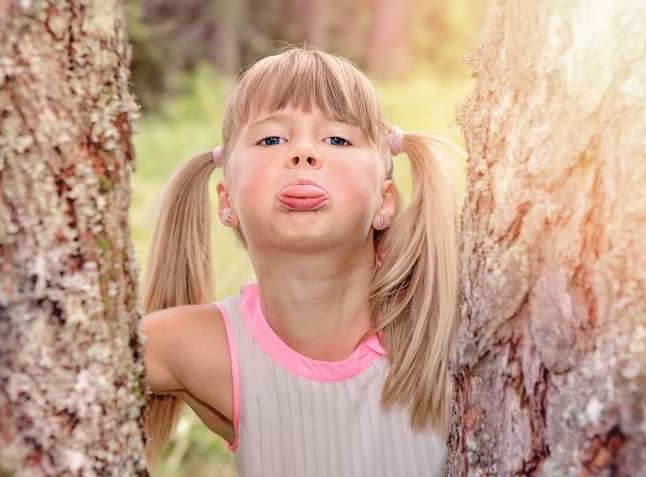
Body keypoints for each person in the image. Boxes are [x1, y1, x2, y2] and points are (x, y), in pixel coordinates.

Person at [141, 47, 461, 476]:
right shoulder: (201, 348)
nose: (304, 153)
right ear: (227, 201)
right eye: (271, 139)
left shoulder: (441, 325)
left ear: (385, 202)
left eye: (337, 139)